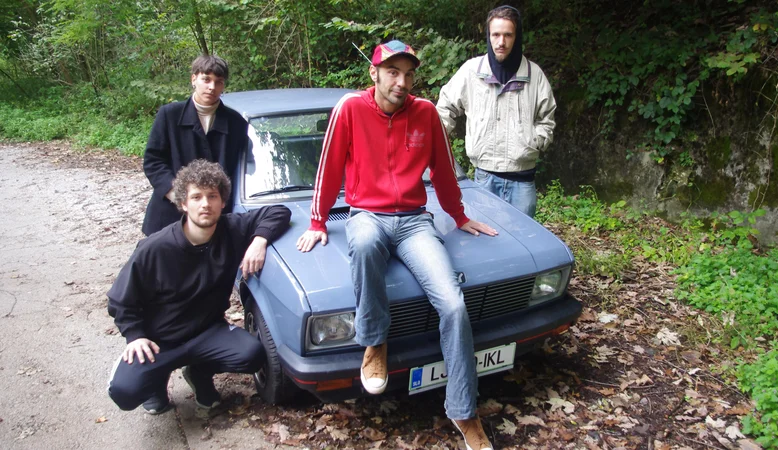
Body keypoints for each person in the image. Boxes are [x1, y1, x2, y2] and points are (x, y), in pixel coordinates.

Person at [296, 40, 498, 450]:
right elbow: (330, 167)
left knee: (454, 305)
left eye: (408, 74)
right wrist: (318, 220)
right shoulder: (350, 109)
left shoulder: (425, 114)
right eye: (392, 72)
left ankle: (463, 410)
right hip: (366, 215)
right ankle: (374, 341)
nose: (401, 82)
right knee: (366, 244)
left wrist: (459, 216)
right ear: (374, 74)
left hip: (414, 222)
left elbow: (443, 170)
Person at [107, 159, 291, 415]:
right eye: (196, 197)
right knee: (124, 393)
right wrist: (135, 336)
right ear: (183, 204)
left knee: (251, 354)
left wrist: (259, 241)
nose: (205, 204)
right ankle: (155, 384)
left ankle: (200, 372)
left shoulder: (232, 229)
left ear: (222, 202)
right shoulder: (155, 249)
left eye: (212, 196)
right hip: (160, 340)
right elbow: (121, 300)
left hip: (206, 332)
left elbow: (279, 211)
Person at [437, 5, 556, 218]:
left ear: (516, 37)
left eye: (508, 35)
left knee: (523, 240)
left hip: (523, 180)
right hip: (485, 178)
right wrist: (438, 146)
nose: (501, 42)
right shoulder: (472, 72)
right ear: (488, 36)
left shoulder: (534, 75)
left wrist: (535, 141)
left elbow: (546, 117)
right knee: (485, 241)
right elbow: (445, 108)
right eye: (496, 35)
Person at [141, 54, 249, 236]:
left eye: (219, 81)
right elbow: (153, 161)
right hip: (169, 215)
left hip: (215, 218)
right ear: (194, 79)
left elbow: (243, 168)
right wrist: (178, 195)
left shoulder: (236, 122)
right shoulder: (169, 115)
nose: (212, 87)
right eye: (206, 79)